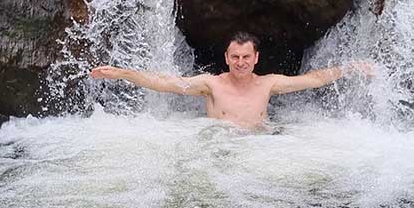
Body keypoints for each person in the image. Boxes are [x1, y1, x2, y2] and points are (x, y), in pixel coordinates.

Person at [90, 31, 375, 129]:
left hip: (256, 149)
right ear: (226, 58)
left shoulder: (269, 84)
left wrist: (349, 68)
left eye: (246, 57)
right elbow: (165, 83)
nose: (241, 63)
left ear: (256, 59)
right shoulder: (210, 85)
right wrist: (123, 73)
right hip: (220, 149)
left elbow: (311, 79)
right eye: (235, 57)